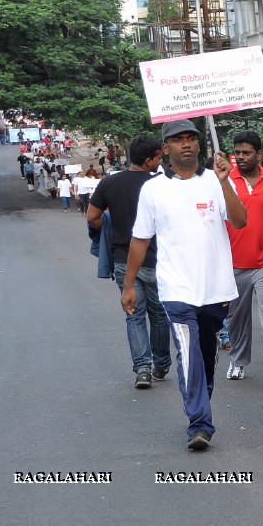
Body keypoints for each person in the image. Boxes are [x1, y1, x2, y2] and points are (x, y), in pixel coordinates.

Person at [122, 119, 247, 451]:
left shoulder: (216, 181)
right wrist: (128, 284)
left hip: (216, 288)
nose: (186, 144)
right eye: (178, 140)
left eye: (192, 138)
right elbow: (140, 239)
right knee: (188, 355)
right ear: (166, 148)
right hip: (176, 289)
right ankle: (199, 423)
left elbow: (240, 220)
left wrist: (224, 183)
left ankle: (200, 399)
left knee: (205, 354)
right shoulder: (153, 189)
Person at [89, 135, 172, 388]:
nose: (160, 162)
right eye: (159, 157)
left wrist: (111, 224)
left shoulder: (109, 182)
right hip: (157, 260)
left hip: (124, 260)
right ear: (149, 160)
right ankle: (161, 363)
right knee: (160, 316)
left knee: (134, 316)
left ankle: (142, 370)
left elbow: (93, 216)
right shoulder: (161, 185)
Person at [223, 130, 263, 386]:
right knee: (236, 318)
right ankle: (238, 362)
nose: (240, 157)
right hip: (233, 263)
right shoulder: (225, 182)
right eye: (237, 152)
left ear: (258, 154)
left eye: (246, 153)